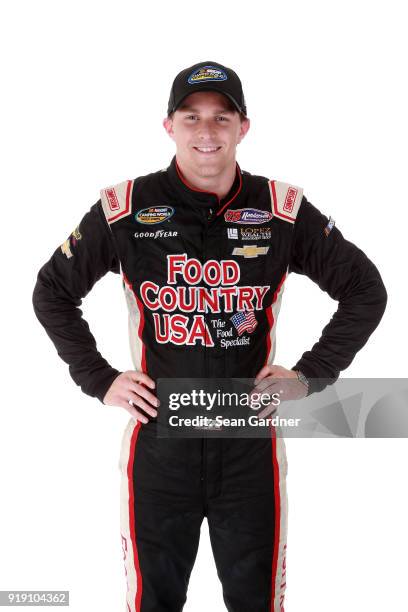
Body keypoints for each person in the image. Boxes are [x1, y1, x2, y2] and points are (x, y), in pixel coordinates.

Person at [32, 60, 387, 612]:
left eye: (222, 118)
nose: (206, 131)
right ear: (168, 125)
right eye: (191, 116)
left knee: (257, 603)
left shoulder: (281, 210)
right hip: (159, 448)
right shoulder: (123, 208)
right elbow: (52, 290)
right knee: (154, 602)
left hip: (249, 450)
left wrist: (311, 375)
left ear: (243, 127)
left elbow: (366, 289)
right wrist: (98, 379)